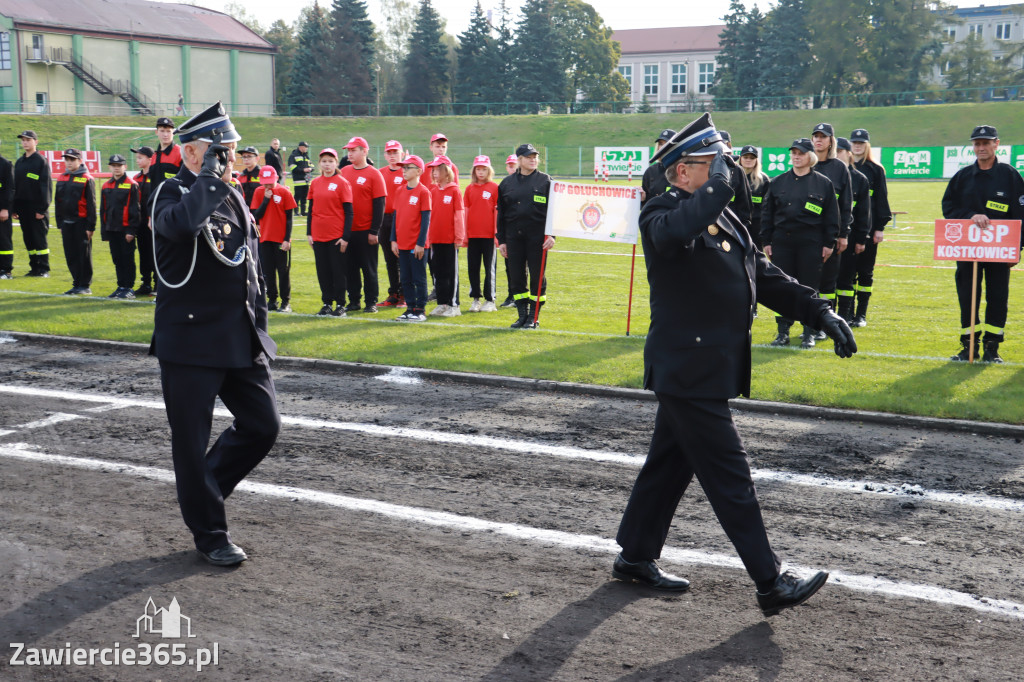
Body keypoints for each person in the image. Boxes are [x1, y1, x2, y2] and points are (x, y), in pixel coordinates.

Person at [614, 113, 856, 617]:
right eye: (713, 163)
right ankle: (770, 581)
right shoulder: (660, 213)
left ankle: (636, 556)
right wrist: (724, 182)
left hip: (706, 367)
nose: (724, 170)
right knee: (730, 476)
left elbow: (763, 274)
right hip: (688, 370)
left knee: (668, 466)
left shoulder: (721, 216)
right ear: (682, 172)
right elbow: (679, 228)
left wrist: (820, 310)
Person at [150, 101, 280, 567]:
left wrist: (259, 327)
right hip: (189, 343)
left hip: (237, 337)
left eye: (228, 151)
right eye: (218, 150)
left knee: (264, 426)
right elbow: (182, 227)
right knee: (189, 439)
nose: (228, 158)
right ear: (190, 154)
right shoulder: (169, 192)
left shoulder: (233, 195)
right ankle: (210, 533)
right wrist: (206, 177)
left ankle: (202, 489)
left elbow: (250, 267)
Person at [941, 124, 1024, 363]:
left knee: (998, 298)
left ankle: (992, 349)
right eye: (977, 143)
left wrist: (1016, 250)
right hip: (968, 250)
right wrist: (969, 216)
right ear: (973, 147)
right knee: (968, 298)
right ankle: (968, 347)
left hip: (1000, 251)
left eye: (986, 143)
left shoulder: (1010, 176)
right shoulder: (962, 177)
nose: (981, 147)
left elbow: (1021, 214)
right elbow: (949, 208)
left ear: (997, 144)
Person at [760, 138, 841, 349]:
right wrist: (766, 240)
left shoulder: (823, 183)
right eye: (793, 153)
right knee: (782, 288)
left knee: (809, 287)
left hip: (810, 243)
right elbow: (767, 214)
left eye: (801, 153)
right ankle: (782, 332)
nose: (796, 156)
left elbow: (832, 217)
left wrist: (829, 243)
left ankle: (809, 332)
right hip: (782, 242)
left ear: (810, 157)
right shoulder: (778, 182)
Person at [497, 143, 554, 329]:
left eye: (535, 156)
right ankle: (522, 315)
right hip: (514, 238)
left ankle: (533, 317)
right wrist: (502, 240)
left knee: (537, 277)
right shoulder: (506, 184)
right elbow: (501, 215)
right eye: (529, 157)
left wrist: (552, 235)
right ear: (519, 160)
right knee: (516, 277)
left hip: (538, 238)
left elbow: (555, 211)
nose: (533, 159)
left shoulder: (546, 181)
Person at [809, 123, 854, 339]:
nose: (818, 140)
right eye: (815, 136)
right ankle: (810, 325)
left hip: (830, 234)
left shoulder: (839, 168)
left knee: (827, 283)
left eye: (823, 137)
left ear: (830, 141)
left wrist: (843, 234)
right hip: (806, 234)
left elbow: (846, 205)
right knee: (808, 282)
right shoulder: (807, 166)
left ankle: (826, 326)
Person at [849, 128, 893, 328]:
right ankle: (847, 311)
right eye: (854, 142)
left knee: (865, 271)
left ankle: (861, 314)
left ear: (867, 145)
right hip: (849, 229)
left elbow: (881, 200)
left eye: (861, 143)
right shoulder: (844, 168)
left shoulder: (876, 169)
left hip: (869, 228)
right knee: (847, 273)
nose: (857, 146)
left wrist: (879, 228)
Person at [340, 136, 386, 313]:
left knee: (369, 268)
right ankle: (354, 300)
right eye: (348, 151)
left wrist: (374, 230)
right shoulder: (344, 172)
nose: (350, 153)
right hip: (348, 231)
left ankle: (371, 301)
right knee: (350, 268)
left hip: (366, 230)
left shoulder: (374, 174)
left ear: (364, 151)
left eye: (353, 150)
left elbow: (379, 204)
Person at [307, 148, 354, 316]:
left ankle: (340, 304)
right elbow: (311, 209)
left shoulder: (342, 182)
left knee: (338, 271)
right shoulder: (315, 183)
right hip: (319, 235)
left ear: (336, 163)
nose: (327, 164)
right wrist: (309, 233)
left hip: (336, 236)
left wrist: (345, 237)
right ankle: (327, 302)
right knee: (323, 271)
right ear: (319, 163)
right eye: (324, 161)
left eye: (330, 161)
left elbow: (349, 212)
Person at [834, 137, 872, 323]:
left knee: (847, 278)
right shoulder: (825, 176)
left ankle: (846, 315)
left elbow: (864, 212)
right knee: (828, 281)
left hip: (850, 236)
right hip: (829, 236)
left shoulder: (859, 178)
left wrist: (861, 238)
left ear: (848, 154)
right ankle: (828, 316)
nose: (836, 155)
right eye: (835, 151)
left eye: (840, 151)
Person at [390, 155, 432, 322]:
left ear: (419, 171)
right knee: (405, 278)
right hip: (402, 243)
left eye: (408, 167)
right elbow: (395, 217)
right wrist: (393, 239)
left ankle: (420, 309)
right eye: (404, 167)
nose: (404, 170)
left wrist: (421, 243)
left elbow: (426, 220)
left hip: (417, 245)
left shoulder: (423, 192)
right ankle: (409, 308)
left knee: (418, 278)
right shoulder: (400, 191)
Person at [251, 165, 297, 313]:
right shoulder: (259, 192)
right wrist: (265, 199)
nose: (267, 185)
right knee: (268, 272)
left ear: (276, 178)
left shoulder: (284, 192)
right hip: (265, 238)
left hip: (280, 239)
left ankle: (285, 301)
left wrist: (286, 239)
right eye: (265, 182)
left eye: (270, 182)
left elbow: (289, 218)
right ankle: (272, 300)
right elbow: (256, 216)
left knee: (283, 271)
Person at [426, 156, 465, 316]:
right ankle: (442, 303)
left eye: (438, 169)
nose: (435, 173)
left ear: (447, 171)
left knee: (450, 273)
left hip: (449, 240)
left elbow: (459, 215)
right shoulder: (433, 191)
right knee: (438, 273)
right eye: (433, 170)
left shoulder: (454, 190)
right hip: (435, 239)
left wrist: (459, 237)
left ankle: (453, 305)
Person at [54, 148, 96, 295]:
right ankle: (76, 282)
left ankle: (85, 285)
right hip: (66, 223)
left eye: (72, 160)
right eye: (67, 160)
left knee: (83, 254)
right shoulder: (61, 177)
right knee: (70, 254)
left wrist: (90, 226)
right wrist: (60, 223)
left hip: (82, 223)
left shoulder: (86, 178)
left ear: (80, 161)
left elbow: (91, 204)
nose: (69, 162)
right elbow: (58, 202)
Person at [99, 154, 141, 299]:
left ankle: (129, 287)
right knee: (117, 259)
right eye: (114, 166)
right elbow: (103, 210)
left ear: (125, 167)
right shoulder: (106, 185)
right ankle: (120, 286)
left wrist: (131, 230)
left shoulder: (132, 184)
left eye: (119, 166)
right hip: (112, 229)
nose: (116, 168)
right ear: (110, 167)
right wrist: (104, 231)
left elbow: (135, 210)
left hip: (125, 230)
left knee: (127, 259)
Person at [13, 130, 52, 277]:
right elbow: (16, 186)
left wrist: (42, 209)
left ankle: (44, 268)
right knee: (28, 238)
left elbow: (46, 186)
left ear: (36, 142)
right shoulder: (19, 162)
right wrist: (14, 208)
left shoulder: (41, 161)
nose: (25, 142)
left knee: (39, 238)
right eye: (23, 140)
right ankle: (34, 267)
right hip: (22, 208)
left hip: (37, 208)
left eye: (28, 140)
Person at [464, 155, 500, 312]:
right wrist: (464, 233)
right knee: (473, 268)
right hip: (473, 235)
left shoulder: (494, 188)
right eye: (478, 169)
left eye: (484, 169)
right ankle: (476, 299)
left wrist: (497, 234)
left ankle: (490, 299)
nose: (481, 172)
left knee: (489, 268)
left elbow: (498, 213)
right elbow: (465, 212)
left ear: (489, 170)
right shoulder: (469, 189)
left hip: (489, 237)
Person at [378, 140, 406, 309]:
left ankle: (405, 293)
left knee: (402, 257)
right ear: (385, 155)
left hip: (402, 218)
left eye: (395, 152)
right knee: (389, 258)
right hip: (385, 218)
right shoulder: (380, 173)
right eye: (389, 153)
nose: (392, 156)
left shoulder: (407, 171)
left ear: (401, 154)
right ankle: (393, 293)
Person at [130, 146, 156, 296]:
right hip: (140, 224)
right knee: (143, 253)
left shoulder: (157, 177)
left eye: (140, 157)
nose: (137, 160)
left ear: (150, 159)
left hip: (154, 224)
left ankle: (158, 284)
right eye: (137, 157)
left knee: (155, 254)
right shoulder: (136, 179)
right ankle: (145, 283)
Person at [500, 153, 520, 308]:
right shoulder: (504, 185)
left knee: (522, 268)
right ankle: (511, 295)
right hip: (510, 233)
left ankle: (520, 297)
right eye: (510, 166)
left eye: (514, 165)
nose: (512, 168)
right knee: (509, 267)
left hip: (524, 234)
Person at [640, 129, 675, 207]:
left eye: (667, 144)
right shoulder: (650, 172)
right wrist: (643, 198)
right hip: (656, 218)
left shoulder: (684, 170)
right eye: (661, 144)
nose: (662, 147)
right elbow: (645, 205)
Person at [150, 117, 183, 199]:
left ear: (173, 133)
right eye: (162, 131)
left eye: (168, 131)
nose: (165, 135)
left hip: (174, 202)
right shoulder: (154, 156)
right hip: (156, 202)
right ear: (156, 132)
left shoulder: (181, 153)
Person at [289, 141, 313, 216]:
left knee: (305, 196)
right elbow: (292, 166)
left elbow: (312, 165)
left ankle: (303, 211)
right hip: (298, 179)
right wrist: (303, 170)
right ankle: (296, 211)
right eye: (305, 147)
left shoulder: (306, 156)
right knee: (297, 196)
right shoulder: (293, 155)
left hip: (306, 180)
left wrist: (310, 168)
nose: (306, 149)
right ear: (301, 147)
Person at [0, 144, 14, 279]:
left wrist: (5, 208)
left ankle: (6, 270)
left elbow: (9, 189)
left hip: (1, 211)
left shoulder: (5, 164)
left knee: (3, 240)